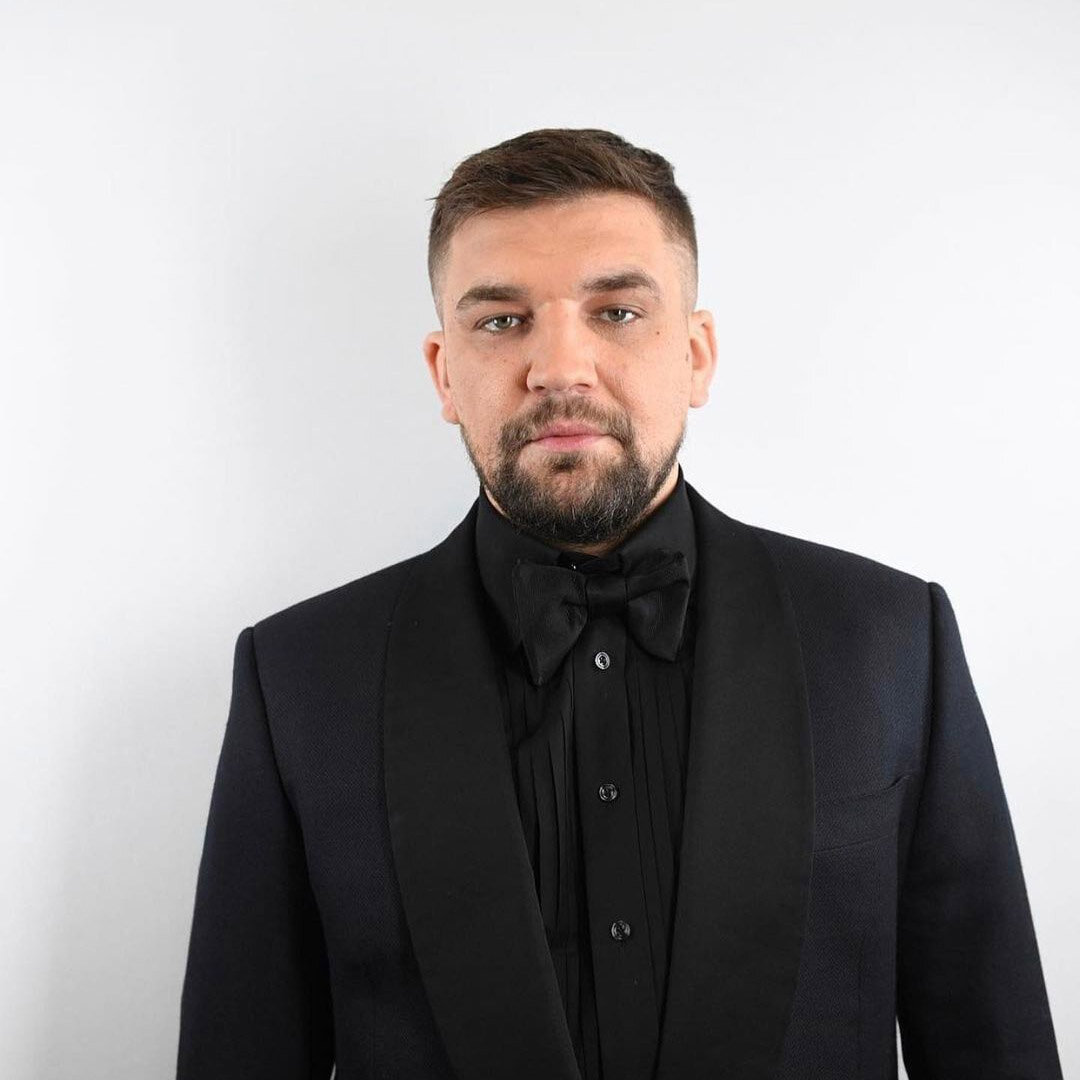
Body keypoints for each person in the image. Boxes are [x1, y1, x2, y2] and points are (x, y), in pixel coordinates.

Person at [176, 128, 1062, 1080]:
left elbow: (992, 1045)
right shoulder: (298, 678)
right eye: (502, 321)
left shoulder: (892, 640)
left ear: (697, 354)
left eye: (618, 311)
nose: (561, 367)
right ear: (443, 372)